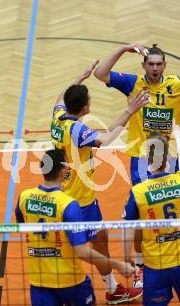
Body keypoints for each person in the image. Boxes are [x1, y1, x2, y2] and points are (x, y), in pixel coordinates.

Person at [94, 43, 180, 287]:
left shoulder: (176, 84)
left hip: (171, 157)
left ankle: (174, 251)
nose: (155, 68)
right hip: (142, 158)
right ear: (144, 65)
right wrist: (123, 49)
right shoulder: (132, 83)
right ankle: (141, 264)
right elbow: (100, 73)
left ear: (164, 66)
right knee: (140, 214)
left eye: (158, 64)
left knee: (173, 205)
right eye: (151, 64)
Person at [51, 61, 148, 304]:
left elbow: (58, 99)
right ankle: (82, 288)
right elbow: (105, 139)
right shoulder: (77, 131)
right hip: (79, 200)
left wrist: (79, 78)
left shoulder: (57, 119)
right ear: (85, 108)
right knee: (83, 247)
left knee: (100, 238)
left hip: (71, 194)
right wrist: (130, 111)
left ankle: (113, 288)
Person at [15, 148, 135, 306]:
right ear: (63, 171)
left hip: (39, 281)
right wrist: (118, 264)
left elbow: (23, 226)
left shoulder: (24, 197)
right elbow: (82, 251)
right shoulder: (68, 204)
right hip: (71, 281)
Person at [122, 124, 180, 306]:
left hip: (155, 265)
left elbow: (128, 229)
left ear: (146, 159)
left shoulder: (138, 193)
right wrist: (178, 136)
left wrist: (127, 257)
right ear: (167, 157)